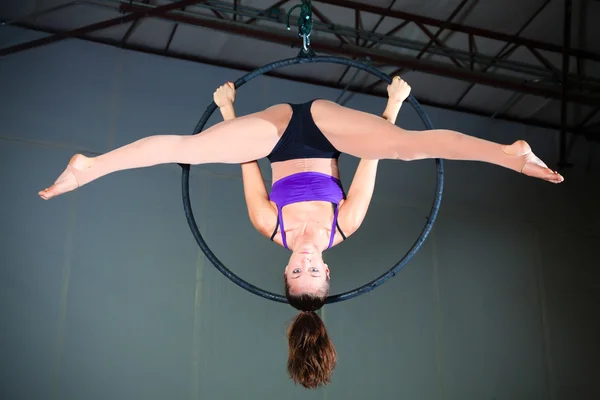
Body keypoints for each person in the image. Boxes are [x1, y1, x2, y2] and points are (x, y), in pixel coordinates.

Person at [38, 76, 564, 389]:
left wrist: (227, 113)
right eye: (315, 270)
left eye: (296, 269)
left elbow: (245, 160)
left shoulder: (269, 226)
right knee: (405, 145)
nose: (305, 260)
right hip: (327, 127)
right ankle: (509, 155)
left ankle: (91, 166)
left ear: (286, 269)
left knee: (190, 149)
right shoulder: (345, 224)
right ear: (327, 270)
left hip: (273, 133)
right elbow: (372, 158)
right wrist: (392, 109)